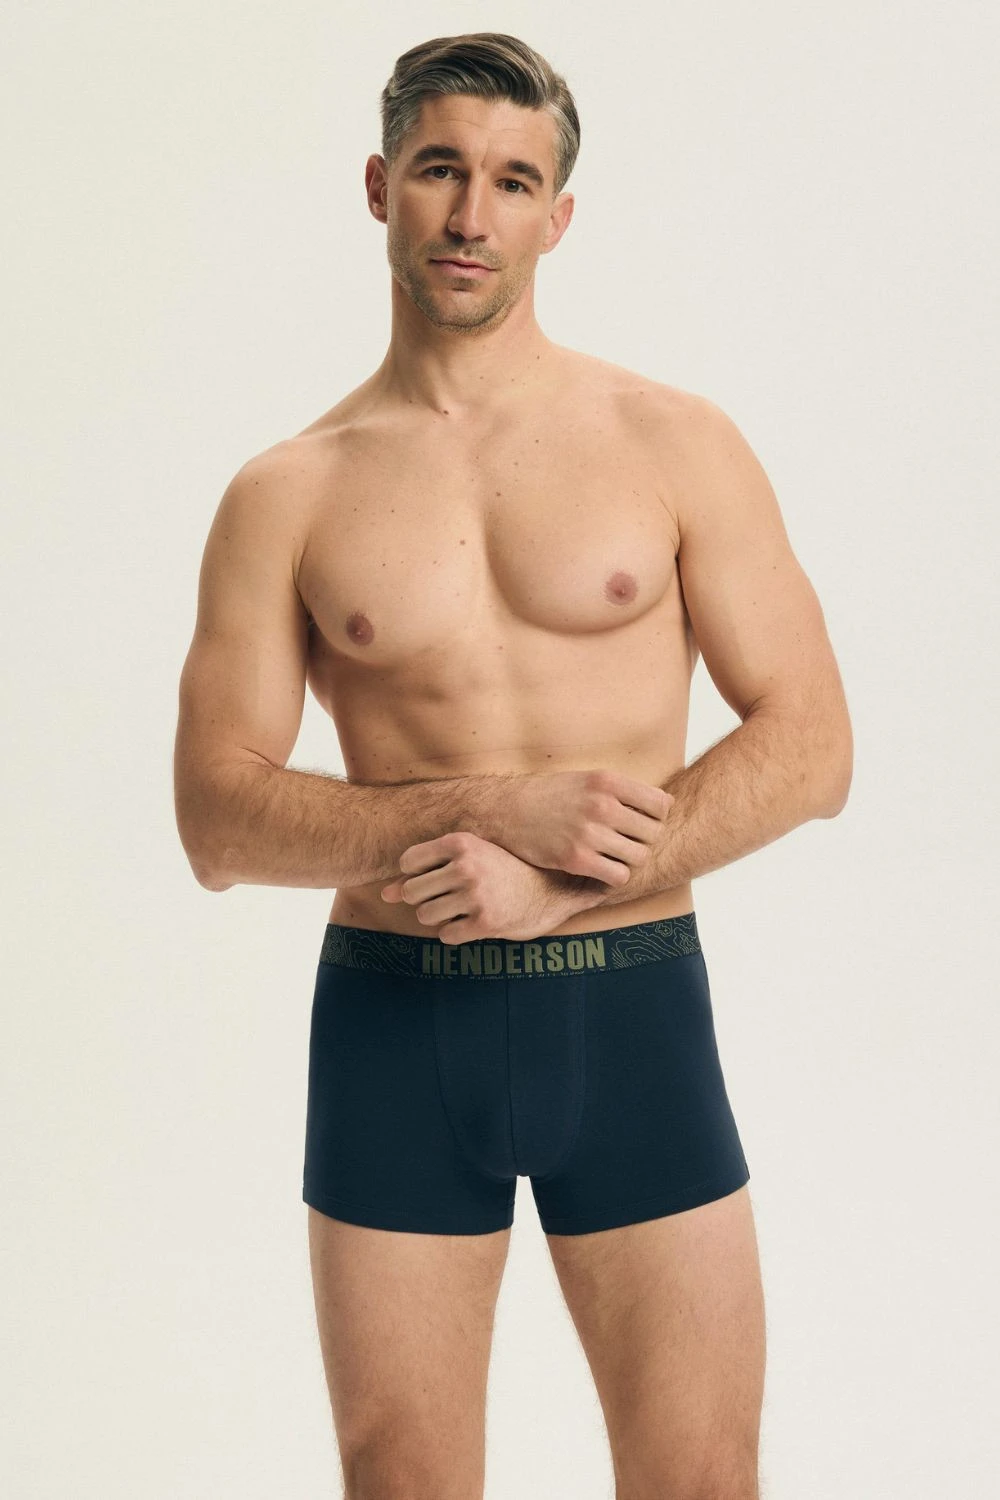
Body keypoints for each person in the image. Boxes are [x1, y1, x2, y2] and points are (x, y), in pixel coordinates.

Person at [173, 30, 852, 1500]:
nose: (473, 214)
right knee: (400, 1481)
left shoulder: (674, 443)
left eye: (513, 181)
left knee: (700, 1475)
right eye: (441, 170)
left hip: (632, 1011)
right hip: (393, 1023)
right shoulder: (287, 492)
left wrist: (562, 879)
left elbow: (812, 743)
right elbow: (216, 818)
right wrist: (490, 809)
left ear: (560, 214)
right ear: (380, 187)